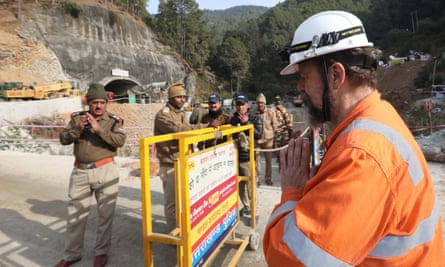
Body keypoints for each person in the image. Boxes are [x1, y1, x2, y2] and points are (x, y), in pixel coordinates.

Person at [263, 10, 445, 266]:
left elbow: (289, 259)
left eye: (304, 77)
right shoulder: (377, 115)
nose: (300, 87)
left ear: (336, 75)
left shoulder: (361, 153)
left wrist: (292, 191)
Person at [56, 83, 126, 267]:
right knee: (75, 215)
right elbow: (63, 139)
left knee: (105, 216)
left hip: (105, 171)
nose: (98, 106)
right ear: (89, 102)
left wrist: (99, 130)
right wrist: (77, 129)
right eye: (95, 102)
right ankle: (71, 254)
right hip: (80, 172)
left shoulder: (113, 120)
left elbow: (120, 141)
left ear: (106, 103)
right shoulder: (77, 118)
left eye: (102, 102)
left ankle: (101, 253)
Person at [154, 81, 220, 231]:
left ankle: (183, 228)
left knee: (184, 199)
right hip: (170, 163)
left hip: (183, 161)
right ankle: (174, 233)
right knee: (172, 202)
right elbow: (183, 130)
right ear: (171, 98)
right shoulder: (163, 115)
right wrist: (207, 126)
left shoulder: (181, 113)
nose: (182, 100)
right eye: (179, 97)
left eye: (184, 97)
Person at [230, 94, 263, 216]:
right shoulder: (233, 119)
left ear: (247, 105)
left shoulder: (255, 119)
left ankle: (254, 212)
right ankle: (246, 207)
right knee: (240, 186)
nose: (240, 107)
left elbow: (259, 134)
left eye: (242, 104)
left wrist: (246, 123)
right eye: (238, 104)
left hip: (248, 158)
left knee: (250, 187)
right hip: (234, 159)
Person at [253, 93, 278, 186]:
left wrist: (274, 134)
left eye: (262, 102)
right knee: (257, 160)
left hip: (268, 140)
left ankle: (268, 178)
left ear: (265, 103)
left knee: (268, 160)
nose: (260, 104)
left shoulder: (270, 112)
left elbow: (275, 125)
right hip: (258, 140)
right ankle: (257, 178)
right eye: (258, 102)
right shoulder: (253, 113)